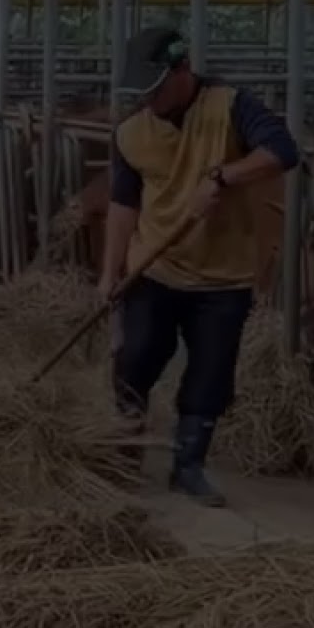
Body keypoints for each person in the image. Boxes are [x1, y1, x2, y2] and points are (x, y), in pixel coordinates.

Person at [101, 27, 300, 507]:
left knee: (211, 373)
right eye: (142, 94)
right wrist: (109, 274)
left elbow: (283, 151)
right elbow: (123, 206)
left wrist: (224, 176)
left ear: (182, 69)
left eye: (157, 89)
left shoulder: (231, 106)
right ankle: (123, 453)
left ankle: (188, 466)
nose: (151, 102)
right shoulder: (131, 134)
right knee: (137, 356)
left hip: (223, 275)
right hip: (154, 266)